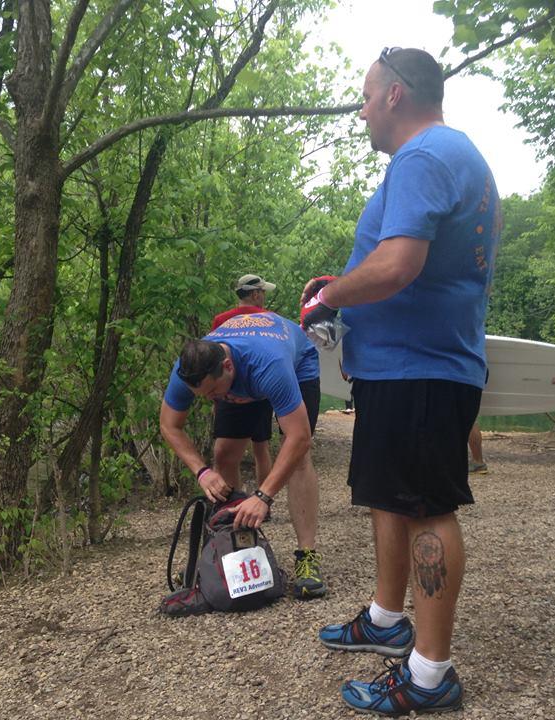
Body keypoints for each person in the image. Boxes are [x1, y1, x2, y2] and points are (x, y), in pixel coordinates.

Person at [300, 47, 500, 715]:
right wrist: (340, 287)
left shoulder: (423, 156)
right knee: (393, 498)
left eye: (364, 96)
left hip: (420, 367)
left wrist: (329, 299)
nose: (360, 109)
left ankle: (430, 674)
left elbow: (397, 267)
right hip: (402, 367)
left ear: (393, 95)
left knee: (423, 507)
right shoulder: (445, 157)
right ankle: (389, 622)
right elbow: (393, 263)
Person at [159, 311, 327, 598]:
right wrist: (202, 472)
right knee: (223, 454)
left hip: (295, 366)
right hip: (242, 379)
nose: (211, 400)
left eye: (213, 392)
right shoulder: (188, 369)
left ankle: (307, 557)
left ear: (227, 366)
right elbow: (169, 425)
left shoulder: (269, 365)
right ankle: (231, 546)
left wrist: (263, 496)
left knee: (299, 457)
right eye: (203, 396)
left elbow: (299, 438)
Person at [209, 274, 277, 491]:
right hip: (262, 390)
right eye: (263, 292)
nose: (264, 296)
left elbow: (214, 359)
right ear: (255, 294)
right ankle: (264, 502)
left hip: (228, 393)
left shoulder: (221, 320)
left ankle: (233, 503)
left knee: (227, 455)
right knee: (261, 447)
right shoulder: (270, 319)